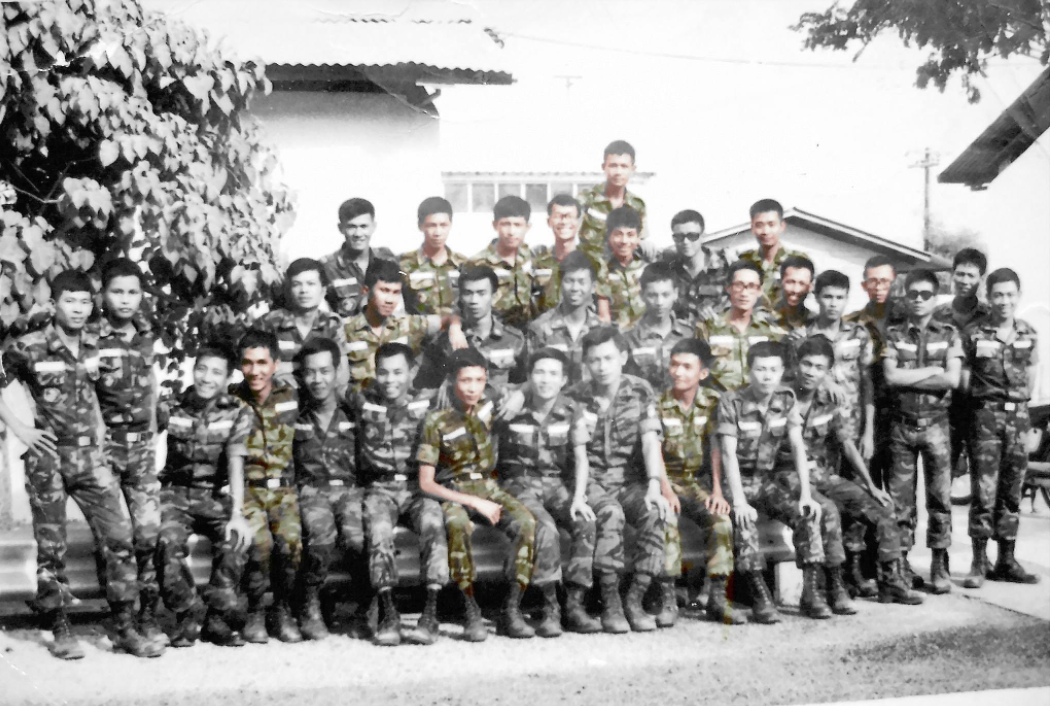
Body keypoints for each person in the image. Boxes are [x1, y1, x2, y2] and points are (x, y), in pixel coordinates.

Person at [0, 270, 157, 659]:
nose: (78, 308)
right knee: (52, 547)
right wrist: (20, 428)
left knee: (119, 537)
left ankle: (124, 626)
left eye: (85, 301)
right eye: (69, 300)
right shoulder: (29, 346)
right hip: (48, 457)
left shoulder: (97, 344)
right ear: (54, 304)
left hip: (92, 459)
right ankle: (60, 627)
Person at [417, 349, 540, 641]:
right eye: (465, 380)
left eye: (479, 380)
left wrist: (520, 393)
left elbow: (526, 385)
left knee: (526, 522)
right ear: (450, 382)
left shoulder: (490, 405)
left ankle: (510, 609)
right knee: (458, 526)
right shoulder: (436, 420)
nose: (472, 388)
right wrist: (473, 502)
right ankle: (470, 607)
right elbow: (426, 483)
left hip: (488, 486)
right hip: (453, 491)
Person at [790, 337, 923, 606]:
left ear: (827, 372)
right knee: (826, 510)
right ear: (795, 365)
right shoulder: (782, 398)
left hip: (823, 476)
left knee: (882, 506)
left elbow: (846, 443)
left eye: (818, 367)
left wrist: (871, 486)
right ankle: (835, 586)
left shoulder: (828, 401)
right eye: (806, 364)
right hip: (790, 479)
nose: (810, 371)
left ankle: (890, 582)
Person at [566, 327, 672, 633]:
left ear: (623, 358)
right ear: (586, 363)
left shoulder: (640, 390)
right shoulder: (575, 396)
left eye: (608, 358)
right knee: (610, 514)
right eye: (594, 360)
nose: (602, 366)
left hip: (629, 480)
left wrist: (654, 484)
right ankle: (610, 601)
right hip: (592, 481)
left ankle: (635, 598)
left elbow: (651, 440)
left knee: (654, 512)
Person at [715, 341, 828, 623]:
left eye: (773, 370)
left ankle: (810, 593)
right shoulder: (732, 402)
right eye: (761, 369)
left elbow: (798, 446)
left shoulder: (785, 400)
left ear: (782, 372)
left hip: (765, 481)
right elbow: (728, 453)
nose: (767, 376)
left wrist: (805, 494)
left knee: (807, 515)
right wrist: (738, 501)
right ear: (749, 371)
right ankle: (759, 597)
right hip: (736, 482)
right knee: (743, 521)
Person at [495, 347, 603, 636]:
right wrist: (517, 393)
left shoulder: (571, 410)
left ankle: (575, 605)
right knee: (545, 528)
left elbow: (581, 458)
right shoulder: (511, 403)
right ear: (529, 377)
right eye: (539, 372)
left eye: (553, 374)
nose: (545, 380)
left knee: (585, 522)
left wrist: (579, 498)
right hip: (518, 483)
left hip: (556, 484)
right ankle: (549, 606)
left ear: (564, 379)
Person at [155, 339, 254, 647]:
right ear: (193, 371)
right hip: (175, 495)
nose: (207, 378)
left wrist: (237, 513)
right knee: (165, 541)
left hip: (215, 495)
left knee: (236, 539)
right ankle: (188, 612)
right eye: (201, 369)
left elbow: (236, 462)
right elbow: (145, 445)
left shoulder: (238, 412)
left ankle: (218, 617)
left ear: (227, 379)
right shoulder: (171, 407)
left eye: (216, 373)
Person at [355, 343, 447, 646]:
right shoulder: (363, 402)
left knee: (434, 524)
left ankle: (430, 613)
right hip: (379, 487)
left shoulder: (428, 404)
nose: (389, 379)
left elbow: (470, 383)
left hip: (417, 486)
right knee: (379, 529)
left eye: (397, 372)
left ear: (412, 373)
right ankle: (388, 613)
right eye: (382, 372)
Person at [94, 258, 164, 649]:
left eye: (132, 292)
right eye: (117, 291)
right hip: (106, 450)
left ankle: (148, 615)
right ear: (103, 294)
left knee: (148, 533)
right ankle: (122, 621)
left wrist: (153, 429)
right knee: (115, 537)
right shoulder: (91, 336)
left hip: (142, 450)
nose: (125, 300)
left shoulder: (145, 334)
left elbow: (150, 384)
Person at [883, 269, 962, 594]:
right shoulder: (893, 334)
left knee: (940, 498)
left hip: (936, 426)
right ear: (904, 296)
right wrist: (932, 369)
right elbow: (890, 378)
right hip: (902, 426)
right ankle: (901, 564)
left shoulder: (950, 333)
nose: (918, 300)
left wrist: (910, 374)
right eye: (912, 294)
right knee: (900, 503)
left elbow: (953, 380)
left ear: (935, 297)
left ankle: (939, 563)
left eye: (925, 294)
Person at [961, 268, 1041, 587]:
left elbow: (1032, 377)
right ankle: (979, 562)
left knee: (1012, 490)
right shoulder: (974, 333)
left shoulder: (1029, 333)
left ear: (1019, 296)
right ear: (988, 296)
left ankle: (1006, 559)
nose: (1004, 301)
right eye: (998, 294)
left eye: (1010, 294)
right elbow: (965, 382)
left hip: (1018, 417)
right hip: (986, 417)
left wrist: (1020, 410)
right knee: (984, 491)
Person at [656, 339, 743, 625]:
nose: (678, 372)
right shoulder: (659, 403)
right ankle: (668, 598)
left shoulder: (714, 402)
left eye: (686, 367)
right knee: (666, 517)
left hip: (698, 481)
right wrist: (665, 490)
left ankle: (717, 597)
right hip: (665, 480)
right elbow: (653, 450)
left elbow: (716, 447)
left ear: (702, 373)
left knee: (720, 520)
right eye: (674, 365)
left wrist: (717, 490)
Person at [231, 328, 303, 643]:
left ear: (275, 364)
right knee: (259, 544)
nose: (255, 371)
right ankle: (256, 610)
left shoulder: (293, 395)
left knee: (290, 542)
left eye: (262, 362)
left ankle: (283, 608)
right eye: (248, 363)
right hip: (248, 489)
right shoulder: (231, 400)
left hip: (284, 489)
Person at [292, 338, 363, 641]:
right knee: (320, 534)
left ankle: (365, 604)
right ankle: (309, 605)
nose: (317, 380)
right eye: (310, 372)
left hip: (350, 490)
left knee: (357, 536)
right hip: (311, 492)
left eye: (324, 371)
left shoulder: (355, 413)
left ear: (337, 372)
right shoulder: (293, 416)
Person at [794, 270, 876, 462]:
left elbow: (868, 384)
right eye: (828, 297)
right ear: (816, 297)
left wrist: (869, 432)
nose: (833, 303)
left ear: (847, 298)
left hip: (853, 427)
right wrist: (825, 381)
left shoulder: (859, 334)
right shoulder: (802, 336)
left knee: (857, 487)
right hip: (817, 430)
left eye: (840, 297)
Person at [343, 259, 460, 393]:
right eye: (384, 290)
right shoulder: (345, 330)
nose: (389, 300)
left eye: (395, 292)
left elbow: (449, 320)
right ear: (366, 290)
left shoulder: (407, 324)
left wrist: (455, 328)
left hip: (401, 407)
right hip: (361, 406)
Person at [844, 255, 906, 491]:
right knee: (865, 482)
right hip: (864, 411)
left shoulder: (908, 321)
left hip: (901, 412)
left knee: (900, 486)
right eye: (873, 281)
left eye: (885, 281)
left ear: (895, 281)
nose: (879, 287)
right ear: (864, 285)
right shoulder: (852, 324)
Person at [415, 266, 527, 393]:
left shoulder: (514, 339)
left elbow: (525, 383)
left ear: (494, 296)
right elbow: (423, 385)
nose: (474, 300)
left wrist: (518, 395)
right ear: (461, 297)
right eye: (468, 293)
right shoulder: (444, 342)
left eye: (481, 293)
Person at [934, 248, 990, 487]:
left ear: (981, 279)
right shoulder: (938, 315)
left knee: (984, 481)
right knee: (941, 477)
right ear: (951, 275)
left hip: (980, 406)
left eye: (971, 275)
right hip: (945, 408)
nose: (964, 281)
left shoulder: (991, 316)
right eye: (960, 274)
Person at [696, 260, 788, 392]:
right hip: (717, 403)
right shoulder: (708, 327)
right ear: (728, 287)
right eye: (739, 285)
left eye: (751, 286)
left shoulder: (770, 330)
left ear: (759, 291)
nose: (744, 293)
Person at [257, 258, 348, 390]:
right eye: (296, 284)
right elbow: (253, 366)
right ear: (288, 290)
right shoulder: (270, 322)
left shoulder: (332, 324)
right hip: (279, 398)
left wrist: (293, 367)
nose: (304, 290)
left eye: (311, 284)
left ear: (323, 290)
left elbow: (342, 374)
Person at [527, 251, 605, 385]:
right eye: (569, 281)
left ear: (593, 287)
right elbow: (530, 376)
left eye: (581, 282)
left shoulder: (602, 330)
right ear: (560, 284)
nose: (575, 288)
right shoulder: (540, 328)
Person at [531, 193, 612, 321]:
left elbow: (603, 315)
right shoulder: (538, 261)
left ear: (579, 222)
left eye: (569, 217)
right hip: (547, 333)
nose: (564, 222)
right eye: (558, 216)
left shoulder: (594, 262)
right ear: (549, 221)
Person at [465, 195, 538, 331]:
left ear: (527, 227)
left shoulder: (532, 259)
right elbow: (465, 308)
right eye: (505, 224)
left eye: (517, 225)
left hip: (526, 336)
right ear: (495, 225)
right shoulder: (478, 263)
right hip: (492, 337)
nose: (511, 232)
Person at [577, 140, 657, 263]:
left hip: (623, 270)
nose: (618, 172)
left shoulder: (637, 205)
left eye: (624, 166)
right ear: (604, 167)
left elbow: (640, 240)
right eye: (613, 166)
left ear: (632, 169)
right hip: (591, 268)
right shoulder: (586, 200)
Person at [623, 262, 696, 391]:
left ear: (675, 294)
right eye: (652, 295)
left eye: (665, 295)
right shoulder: (628, 338)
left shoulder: (689, 334)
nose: (659, 302)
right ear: (642, 295)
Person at [320, 198, 398, 317]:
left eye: (363, 226)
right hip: (347, 333)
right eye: (351, 227)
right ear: (340, 228)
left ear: (373, 227)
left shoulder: (388, 258)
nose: (358, 234)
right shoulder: (327, 267)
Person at [399, 196, 468, 317]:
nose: (438, 232)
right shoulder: (404, 265)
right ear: (420, 226)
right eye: (432, 225)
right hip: (420, 333)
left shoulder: (463, 265)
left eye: (443, 225)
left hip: (457, 332)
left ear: (450, 225)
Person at [659, 209, 729, 325]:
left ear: (703, 236)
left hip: (721, 332)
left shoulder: (725, 264)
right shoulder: (668, 272)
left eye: (692, 236)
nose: (685, 242)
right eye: (679, 237)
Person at [737, 199, 810, 309]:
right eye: (759, 225)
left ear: (782, 226)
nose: (765, 231)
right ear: (752, 228)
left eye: (771, 225)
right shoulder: (744, 260)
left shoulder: (798, 260)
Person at [605, 206, 648, 331]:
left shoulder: (648, 270)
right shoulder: (601, 272)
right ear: (609, 236)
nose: (624, 241)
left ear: (638, 238)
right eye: (618, 234)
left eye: (630, 235)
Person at [773, 255, 815, 331]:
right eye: (790, 282)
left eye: (802, 283)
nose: (795, 290)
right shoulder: (765, 317)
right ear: (779, 282)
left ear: (810, 287)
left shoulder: (817, 322)